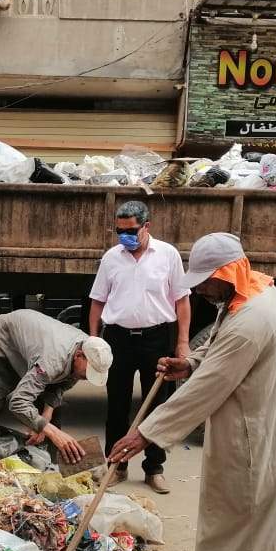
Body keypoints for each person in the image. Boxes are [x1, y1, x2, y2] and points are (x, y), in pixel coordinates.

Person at [108, 233, 276, 551]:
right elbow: (221, 354)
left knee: (247, 522)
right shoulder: (253, 293)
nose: (200, 290)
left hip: (255, 437)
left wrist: (144, 434)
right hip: (256, 423)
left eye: (205, 281)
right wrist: (190, 363)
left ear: (227, 274)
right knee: (240, 522)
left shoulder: (252, 320)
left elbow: (206, 390)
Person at [89, 200, 191, 495]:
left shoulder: (168, 255)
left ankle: (154, 469)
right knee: (117, 407)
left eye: (131, 231)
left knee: (157, 406)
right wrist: (93, 340)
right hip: (118, 339)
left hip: (156, 339)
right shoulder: (111, 258)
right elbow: (98, 301)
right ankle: (116, 466)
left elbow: (182, 300)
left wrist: (182, 342)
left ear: (146, 226)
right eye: (119, 231)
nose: (125, 236)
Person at [0, 308, 113, 467]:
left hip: (37, 343)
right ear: (78, 356)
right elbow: (17, 402)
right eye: (87, 373)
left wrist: (46, 417)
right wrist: (52, 432)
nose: (87, 377)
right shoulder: (51, 362)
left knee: (53, 411)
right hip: (5, 334)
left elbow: (59, 388)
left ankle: (52, 468)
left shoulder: (90, 351)